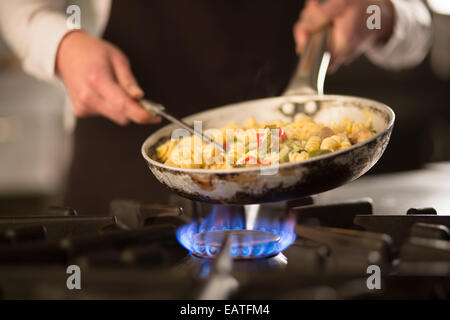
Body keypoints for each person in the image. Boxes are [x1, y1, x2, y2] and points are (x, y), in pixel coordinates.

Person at [0, 0, 432, 213]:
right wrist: (61, 45)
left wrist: (382, 13)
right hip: (120, 185)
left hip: (287, 198)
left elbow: (418, 21)